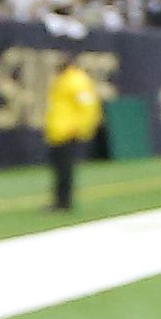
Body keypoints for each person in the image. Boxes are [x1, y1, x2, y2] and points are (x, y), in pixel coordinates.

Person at [42, 53, 104, 212]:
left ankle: (64, 202)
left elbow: (88, 106)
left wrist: (81, 128)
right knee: (60, 169)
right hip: (60, 130)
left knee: (65, 169)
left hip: (69, 131)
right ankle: (59, 200)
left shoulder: (76, 81)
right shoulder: (65, 79)